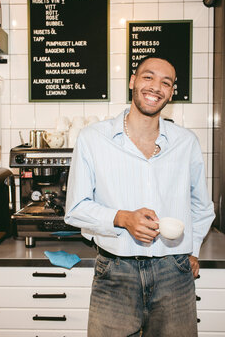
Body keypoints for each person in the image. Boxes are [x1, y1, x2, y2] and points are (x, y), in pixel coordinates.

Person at [65, 56, 215, 337]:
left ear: (171, 92)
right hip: (115, 273)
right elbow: (75, 208)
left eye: (166, 82)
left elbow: (202, 206)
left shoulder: (186, 142)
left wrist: (192, 249)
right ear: (133, 81)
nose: (156, 87)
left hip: (175, 273)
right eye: (148, 77)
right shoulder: (93, 138)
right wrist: (121, 218)